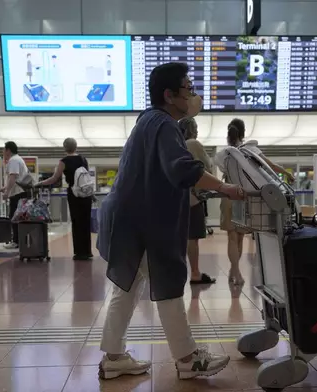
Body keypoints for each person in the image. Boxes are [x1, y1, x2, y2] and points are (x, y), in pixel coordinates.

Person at [96, 62, 244, 381]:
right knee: (168, 281)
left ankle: (113, 357)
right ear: (169, 95)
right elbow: (181, 168)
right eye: (188, 89)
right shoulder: (163, 123)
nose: (193, 95)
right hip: (143, 222)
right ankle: (188, 358)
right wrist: (225, 187)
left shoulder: (148, 121)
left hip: (126, 218)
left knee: (129, 286)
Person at [215, 118, 295, 285]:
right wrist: (287, 174)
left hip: (228, 196)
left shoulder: (225, 154)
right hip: (245, 197)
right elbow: (269, 166)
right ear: (243, 133)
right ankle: (235, 270)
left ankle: (234, 269)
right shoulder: (250, 150)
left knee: (231, 236)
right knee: (240, 236)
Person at [36, 138, 93, 261]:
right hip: (86, 195)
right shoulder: (83, 159)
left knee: (77, 223)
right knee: (85, 223)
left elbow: (54, 178)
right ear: (76, 146)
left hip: (74, 194)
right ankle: (87, 251)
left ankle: (79, 253)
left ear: (64, 147)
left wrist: (40, 183)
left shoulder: (64, 161)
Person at [180, 117, 216, 285]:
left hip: (176, 199)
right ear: (193, 130)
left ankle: (180, 273)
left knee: (180, 237)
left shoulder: (175, 145)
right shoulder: (193, 144)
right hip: (192, 199)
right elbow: (206, 169)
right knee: (192, 237)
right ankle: (195, 273)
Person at [0, 141, 29, 249]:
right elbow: (15, 179)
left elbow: (13, 177)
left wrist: (7, 192)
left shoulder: (13, 160)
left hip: (18, 194)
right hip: (20, 192)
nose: (3, 152)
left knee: (15, 216)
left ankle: (16, 241)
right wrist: (5, 188)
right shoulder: (18, 159)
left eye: (4, 149)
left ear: (8, 150)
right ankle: (18, 240)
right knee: (18, 216)